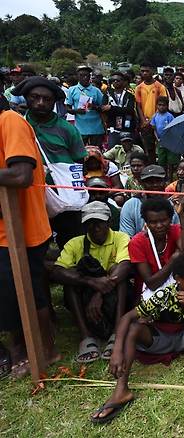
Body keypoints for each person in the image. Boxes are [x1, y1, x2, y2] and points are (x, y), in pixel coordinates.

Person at [89, 253, 184, 424]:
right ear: (178, 279)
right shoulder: (164, 295)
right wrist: (117, 350)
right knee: (134, 328)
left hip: (183, 340)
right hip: (160, 341)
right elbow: (126, 318)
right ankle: (121, 390)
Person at [0, 98, 59, 378]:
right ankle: (17, 347)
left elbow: (21, 175)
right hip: (3, 227)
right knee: (7, 293)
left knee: (27, 292)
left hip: (22, 228)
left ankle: (40, 350)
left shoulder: (9, 120)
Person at [52, 202, 131, 363]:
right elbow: (57, 271)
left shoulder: (120, 238)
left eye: (99, 223)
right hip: (87, 295)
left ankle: (117, 332)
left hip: (113, 295)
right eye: (90, 223)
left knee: (120, 275)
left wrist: (100, 292)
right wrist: (89, 281)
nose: (95, 228)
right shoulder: (75, 243)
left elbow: (125, 265)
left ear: (108, 222)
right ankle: (86, 337)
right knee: (70, 280)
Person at [15, 76, 88, 249]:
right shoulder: (18, 125)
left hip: (63, 196)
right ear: (26, 98)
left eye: (46, 99)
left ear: (54, 102)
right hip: (30, 194)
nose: (40, 103)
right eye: (35, 97)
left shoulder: (67, 129)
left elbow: (78, 162)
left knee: (70, 241)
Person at [119, 165, 180, 237]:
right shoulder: (130, 205)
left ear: (166, 182)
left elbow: (177, 234)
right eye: (150, 182)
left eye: (158, 181)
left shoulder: (171, 204)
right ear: (141, 183)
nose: (155, 185)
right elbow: (126, 237)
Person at [65, 65, 105, 145]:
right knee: (80, 152)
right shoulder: (72, 90)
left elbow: (103, 108)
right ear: (77, 77)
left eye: (87, 75)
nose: (85, 78)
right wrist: (76, 111)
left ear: (90, 76)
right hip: (80, 129)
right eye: (82, 75)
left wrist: (94, 107)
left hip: (96, 128)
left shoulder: (96, 91)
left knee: (96, 153)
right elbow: (67, 108)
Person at [135, 65, 168, 161]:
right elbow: (138, 105)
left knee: (161, 146)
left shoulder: (160, 87)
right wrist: (143, 121)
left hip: (159, 121)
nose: (144, 73)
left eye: (147, 71)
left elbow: (163, 104)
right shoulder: (139, 88)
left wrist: (151, 120)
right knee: (149, 148)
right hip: (145, 123)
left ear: (152, 72)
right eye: (142, 71)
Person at [104, 71, 137, 148]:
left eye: (118, 80)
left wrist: (112, 108)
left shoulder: (129, 96)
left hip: (127, 128)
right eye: (113, 80)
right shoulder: (107, 94)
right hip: (113, 128)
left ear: (124, 81)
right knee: (112, 151)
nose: (115, 82)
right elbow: (104, 109)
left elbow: (129, 110)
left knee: (128, 151)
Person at [150, 96, 178, 178]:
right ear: (157, 105)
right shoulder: (155, 116)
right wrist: (157, 138)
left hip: (169, 142)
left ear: (167, 106)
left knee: (170, 160)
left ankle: (170, 177)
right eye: (159, 105)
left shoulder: (169, 116)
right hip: (160, 141)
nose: (161, 107)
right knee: (161, 160)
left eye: (164, 105)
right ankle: (163, 176)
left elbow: (172, 128)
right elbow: (154, 129)